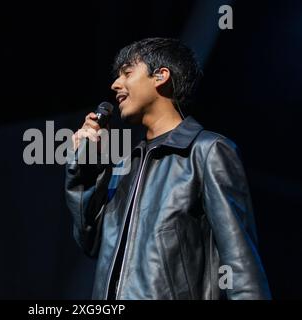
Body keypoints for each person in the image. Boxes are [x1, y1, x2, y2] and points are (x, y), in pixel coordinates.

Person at [65, 37, 271, 300]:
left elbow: (241, 264)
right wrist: (83, 165)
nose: (115, 85)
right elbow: (90, 241)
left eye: (127, 72)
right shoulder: (124, 166)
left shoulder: (206, 151)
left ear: (161, 76)